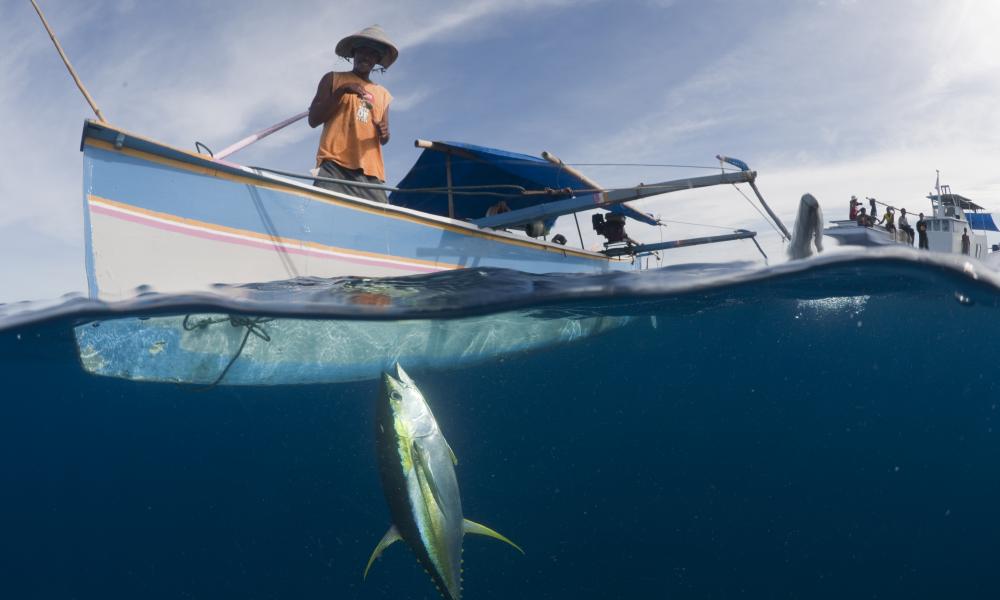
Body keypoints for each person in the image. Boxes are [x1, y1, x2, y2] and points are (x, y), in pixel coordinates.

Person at [309, 25, 397, 203]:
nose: (366, 56)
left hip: (370, 172)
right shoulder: (333, 79)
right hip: (334, 165)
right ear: (354, 53)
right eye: (362, 51)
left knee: (381, 219)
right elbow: (313, 119)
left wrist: (385, 133)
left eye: (372, 53)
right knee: (321, 211)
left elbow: (384, 138)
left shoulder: (383, 95)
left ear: (377, 60)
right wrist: (341, 91)